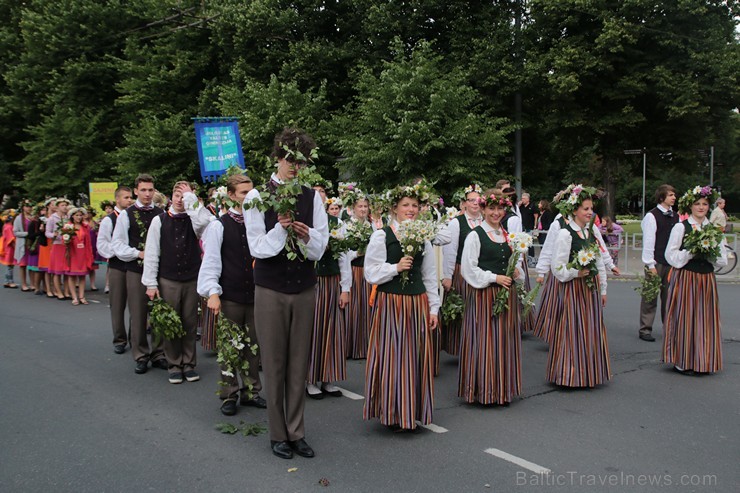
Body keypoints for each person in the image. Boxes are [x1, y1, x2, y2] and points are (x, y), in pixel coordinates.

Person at [244, 128, 328, 460]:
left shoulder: (311, 196)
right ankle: (277, 434)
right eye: (290, 160)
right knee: (275, 362)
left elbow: (321, 247)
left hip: (304, 287)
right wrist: (280, 228)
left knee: (298, 363)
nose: (295, 166)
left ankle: (297, 431)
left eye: (301, 161)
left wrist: (307, 236)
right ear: (278, 157)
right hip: (270, 289)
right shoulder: (256, 197)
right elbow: (257, 248)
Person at [363, 184, 440, 433]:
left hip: (417, 303)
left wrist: (433, 309)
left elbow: (429, 275)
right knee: (392, 356)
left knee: (415, 358)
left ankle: (412, 411)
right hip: (391, 303)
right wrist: (394, 268)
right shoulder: (381, 235)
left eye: (415, 206)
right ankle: (391, 411)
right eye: (406, 205)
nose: (411, 209)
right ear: (394, 208)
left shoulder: (424, 238)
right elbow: (370, 272)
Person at [199, 173, 267, 414]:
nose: (249, 197)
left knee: (253, 347)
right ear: (231, 195)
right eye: (243, 193)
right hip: (230, 294)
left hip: (256, 294)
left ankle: (251, 391)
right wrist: (212, 292)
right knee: (230, 347)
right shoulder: (219, 225)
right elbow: (211, 261)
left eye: (251, 192)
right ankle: (229, 394)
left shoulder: (258, 223)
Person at [459, 191, 523, 405]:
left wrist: (516, 273)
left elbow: (515, 263)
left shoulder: (507, 235)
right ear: (484, 210)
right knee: (485, 341)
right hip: (485, 296)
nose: (496, 213)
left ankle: (501, 389)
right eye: (492, 209)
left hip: (506, 296)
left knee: (503, 341)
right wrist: (495, 277)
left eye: (499, 209)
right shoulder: (475, 235)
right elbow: (468, 270)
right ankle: (483, 390)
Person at [547, 187, 610, 387]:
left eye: (591, 208)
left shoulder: (590, 231)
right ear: (575, 211)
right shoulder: (566, 234)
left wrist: (603, 288)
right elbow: (557, 267)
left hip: (590, 288)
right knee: (572, 330)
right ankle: (569, 375)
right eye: (585, 209)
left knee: (590, 329)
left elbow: (598, 261)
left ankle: (588, 374)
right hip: (573, 289)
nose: (589, 212)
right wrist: (576, 273)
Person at [143, 181, 204, 385]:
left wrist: (192, 201)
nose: (180, 200)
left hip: (191, 277)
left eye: (185, 196)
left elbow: (206, 224)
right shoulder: (159, 221)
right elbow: (151, 253)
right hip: (168, 279)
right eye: (178, 195)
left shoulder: (195, 220)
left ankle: (189, 363)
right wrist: (151, 283)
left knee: (189, 322)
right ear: (171, 197)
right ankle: (174, 364)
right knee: (171, 323)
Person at [663, 186, 727, 375]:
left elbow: (722, 259)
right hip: (686, 277)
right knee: (685, 317)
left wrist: (709, 254)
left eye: (705, 204)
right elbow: (670, 255)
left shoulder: (713, 230)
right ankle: (682, 360)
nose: (701, 207)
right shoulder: (681, 227)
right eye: (697, 204)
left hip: (706, 279)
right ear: (690, 206)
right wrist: (691, 252)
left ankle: (703, 360)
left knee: (705, 319)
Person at [112, 174, 166, 374]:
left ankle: (159, 353)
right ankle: (141, 354)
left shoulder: (161, 213)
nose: (147, 194)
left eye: (150, 190)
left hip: (159, 270)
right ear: (136, 191)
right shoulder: (127, 214)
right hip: (136, 270)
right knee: (138, 313)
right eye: (143, 190)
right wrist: (138, 253)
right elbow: (117, 244)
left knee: (159, 313)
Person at [306, 188, 351, 399]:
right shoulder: (303, 221)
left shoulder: (336, 224)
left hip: (332, 282)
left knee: (332, 329)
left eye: (321, 195)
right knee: (313, 328)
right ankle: (310, 379)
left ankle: (328, 378)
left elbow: (344, 258)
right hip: (310, 283)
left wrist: (346, 288)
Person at [441, 184, 483, 357]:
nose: (475, 203)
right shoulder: (457, 223)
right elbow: (450, 251)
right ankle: (463, 347)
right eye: (471, 200)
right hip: (462, 271)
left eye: (478, 200)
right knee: (464, 309)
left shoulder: (487, 220)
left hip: (483, 271)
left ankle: (480, 345)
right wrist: (448, 276)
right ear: (464, 203)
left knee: (480, 309)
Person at [638, 184, 678, 342]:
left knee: (669, 297)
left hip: (670, 262)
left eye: (674, 194)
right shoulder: (652, 216)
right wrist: (650, 264)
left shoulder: (675, 216)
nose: (673, 197)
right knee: (650, 297)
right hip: (656, 262)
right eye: (670, 195)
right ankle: (645, 328)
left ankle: (668, 327)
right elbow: (649, 241)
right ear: (662, 197)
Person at [97, 186, 134, 354]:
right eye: (126, 197)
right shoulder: (108, 220)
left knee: (137, 305)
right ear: (117, 200)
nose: (129, 200)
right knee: (117, 304)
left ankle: (136, 337)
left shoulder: (134, 215)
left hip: (134, 265)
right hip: (118, 266)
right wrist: (119, 251)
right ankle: (119, 338)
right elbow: (102, 245)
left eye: (130, 197)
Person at [343, 192, 373, 359]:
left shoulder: (371, 226)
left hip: (367, 271)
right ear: (353, 209)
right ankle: (352, 346)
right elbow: (345, 253)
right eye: (360, 206)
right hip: (353, 270)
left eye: (365, 206)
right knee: (354, 307)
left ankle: (366, 345)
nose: (363, 209)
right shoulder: (347, 226)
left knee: (366, 307)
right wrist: (358, 252)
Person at [65, 207, 94, 305]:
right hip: (72, 253)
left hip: (82, 253)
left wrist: (89, 254)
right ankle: (74, 297)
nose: (79, 217)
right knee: (72, 276)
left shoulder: (85, 227)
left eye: (80, 215)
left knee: (82, 275)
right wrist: (67, 240)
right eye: (76, 215)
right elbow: (64, 241)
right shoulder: (68, 226)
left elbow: (88, 241)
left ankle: (81, 296)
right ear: (72, 216)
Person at [46, 198, 71, 299]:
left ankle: (66, 291)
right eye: (62, 205)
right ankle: (58, 292)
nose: (65, 207)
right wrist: (53, 235)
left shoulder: (68, 217)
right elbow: (47, 232)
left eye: (66, 205)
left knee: (66, 270)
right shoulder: (52, 218)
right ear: (57, 207)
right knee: (57, 270)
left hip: (66, 245)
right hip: (57, 245)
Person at [13, 200, 34, 291]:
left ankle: (33, 283)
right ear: (23, 207)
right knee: (23, 265)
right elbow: (15, 232)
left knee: (32, 265)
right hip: (23, 243)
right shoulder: (19, 218)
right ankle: (24, 284)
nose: (29, 208)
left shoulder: (33, 217)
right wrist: (27, 234)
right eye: (26, 206)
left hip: (32, 243)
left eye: (30, 206)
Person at [1, 209, 17, 288]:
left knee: (9, 265)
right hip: (10, 248)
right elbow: (11, 239)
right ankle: (9, 281)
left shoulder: (5, 226)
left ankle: (7, 281)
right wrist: (16, 247)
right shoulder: (9, 227)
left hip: (6, 247)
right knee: (10, 265)